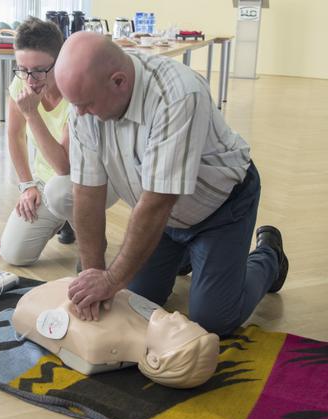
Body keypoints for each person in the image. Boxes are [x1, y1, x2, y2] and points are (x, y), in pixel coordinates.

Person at [53, 32, 289, 336]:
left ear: (119, 81)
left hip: (222, 209)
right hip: (166, 220)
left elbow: (157, 203)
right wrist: (93, 272)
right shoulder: (84, 102)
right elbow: (86, 195)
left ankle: (270, 256)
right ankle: (191, 256)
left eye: (85, 104)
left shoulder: (177, 93)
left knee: (213, 320)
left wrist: (111, 281)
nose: (79, 113)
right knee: (136, 301)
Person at [12, 278, 219, 388]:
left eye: (177, 329)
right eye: (188, 321)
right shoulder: (155, 317)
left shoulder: (97, 342)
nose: (178, 315)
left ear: (154, 360)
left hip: (33, 301)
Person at [0, 17, 75, 266]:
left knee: (61, 190)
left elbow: (65, 167)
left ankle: (83, 226)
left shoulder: (76, 92)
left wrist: (32, 114)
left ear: (60, 61)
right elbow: (14, 135)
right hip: (46, 181)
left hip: (84, 182)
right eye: (23, 69)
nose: (31, 79)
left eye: (40, 69)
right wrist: (27, 185)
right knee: (13, 255)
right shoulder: (22, 80)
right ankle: (65, 219)